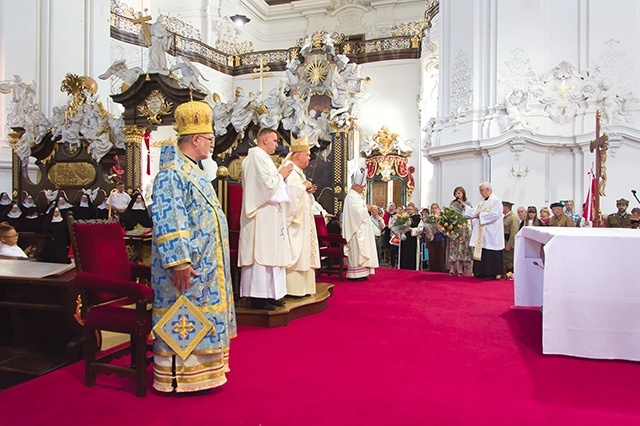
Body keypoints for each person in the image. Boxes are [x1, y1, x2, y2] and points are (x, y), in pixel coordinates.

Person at [150, 100, 236, 393]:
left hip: (207, 267)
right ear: (195, 139)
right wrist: (179, 262)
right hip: (189, 268)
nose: (213, 145)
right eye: (210, 140)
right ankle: (181, 377)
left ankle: (206, 373)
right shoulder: (172, 173)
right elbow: (169, 219)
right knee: (186, 316)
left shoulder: (196, 172)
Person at [238, 128, 294, 310]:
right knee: (261, 256)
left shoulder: (264, 158)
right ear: (264, 140)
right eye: (275, 140)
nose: (277, 144)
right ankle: (258, 296)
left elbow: (271, 182)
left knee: (271, 255)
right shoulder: (255, 157)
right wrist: (281, 175)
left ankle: (270, 294)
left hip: (269, 217)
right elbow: (265, 185)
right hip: (260, 217)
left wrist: (279, 175)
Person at [282, 135, 320, 297]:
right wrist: (303, 187)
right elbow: (289, 195)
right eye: (307, 155)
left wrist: (306, 190)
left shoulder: (297, 172)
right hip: (294, 224)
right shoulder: (289, 170)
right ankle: (293, 289)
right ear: (297, 155)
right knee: (295, 252)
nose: (309, 158)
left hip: (301, 221)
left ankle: (302, 288)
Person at [342, 168, 379, 280]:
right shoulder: (351, 196)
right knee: (357, 251)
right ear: (356, 186)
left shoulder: (357, 196)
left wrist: (367, 208)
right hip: (356, 230)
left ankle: (363, 273)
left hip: (361, 229)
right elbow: (355, 212)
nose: (363, 189)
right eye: (362, 186)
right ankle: (355, 274)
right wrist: (367, 208)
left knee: (362, 251)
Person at [464, 182, 504, 280]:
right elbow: (475, 212)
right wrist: (466, 208)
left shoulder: (496, 201)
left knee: (490, 253)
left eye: (481, 190)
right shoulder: (482, 202)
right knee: (482, 251)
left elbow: (495, 215)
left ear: (488, 190)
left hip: (491, 233)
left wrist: (480, 215)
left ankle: (491, 273)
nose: (480, 193)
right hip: (482, 234)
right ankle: (480, 272)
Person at [448, 186, 473, 276]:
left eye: (459, 192)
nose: (457, 194)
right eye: (456, 193)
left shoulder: (467, 203)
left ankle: (460, 268)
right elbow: (450, 213)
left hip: (463, 227)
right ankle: (452, 267)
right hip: (454, 227)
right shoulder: (453, 203)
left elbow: (471, 213)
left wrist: (464, 206)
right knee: (453, 247)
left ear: (463, 193)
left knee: (461, 247)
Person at [399, 203, 422, 270]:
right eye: (407, 209)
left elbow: (420, 228)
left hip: (413, 238)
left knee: (412, 255)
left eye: (410, 209)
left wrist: (411, 229)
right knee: (404, 254)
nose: (408, 211)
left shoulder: (418, 218)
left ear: (414, 210)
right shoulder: (403, 217)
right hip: (404, 238)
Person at [502, 201, 520, 279]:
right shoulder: (506, 217)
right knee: (504, 258)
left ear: (506, 208)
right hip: (504, 240)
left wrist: (510, 244)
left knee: (507, 260)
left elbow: (514, 232)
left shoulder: (513, 217)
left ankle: (512, 274)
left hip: (508, 240)